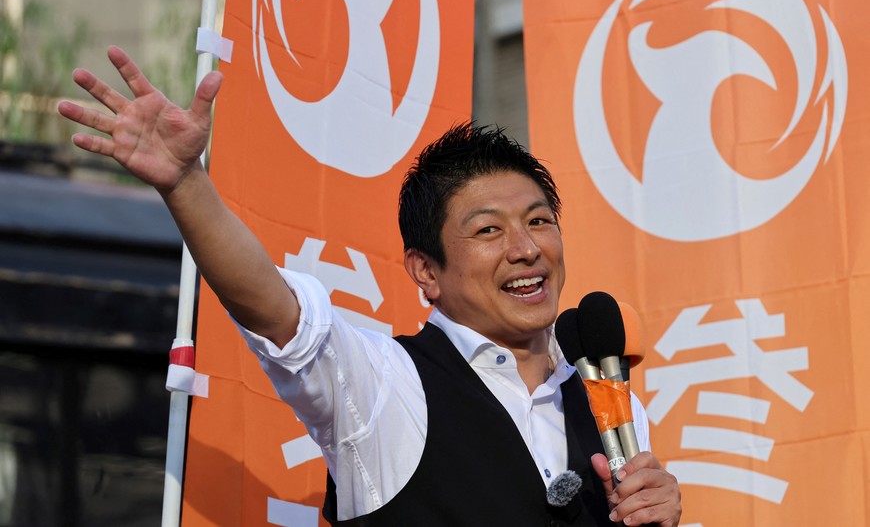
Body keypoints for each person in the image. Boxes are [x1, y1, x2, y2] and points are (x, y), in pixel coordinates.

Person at [58, 46, 681, 526]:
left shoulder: (609, 403)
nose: (526, 249)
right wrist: (185, 184)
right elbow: (277, 311)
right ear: (425, 271)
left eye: (539, 221)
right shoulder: (387, 386)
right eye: (489, 230)